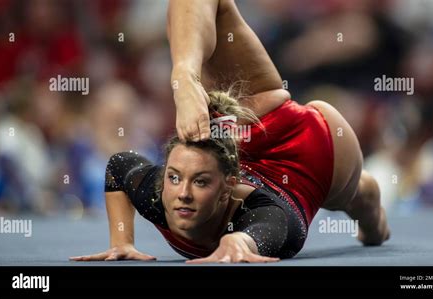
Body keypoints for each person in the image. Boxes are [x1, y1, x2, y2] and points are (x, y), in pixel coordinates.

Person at [70, 0, 389, 264]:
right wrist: (122, 240)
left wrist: (240, 243)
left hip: (307, 143)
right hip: (284, 159)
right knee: (355, 195)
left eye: (200, 183)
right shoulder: (162, 193)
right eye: (174, 177)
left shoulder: (263, 214)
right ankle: (366, 196)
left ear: (229, 190)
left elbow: (267, 227)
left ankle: (185, 74)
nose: (182, 194)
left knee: (353, 197)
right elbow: (118, 166)